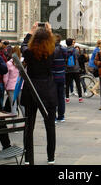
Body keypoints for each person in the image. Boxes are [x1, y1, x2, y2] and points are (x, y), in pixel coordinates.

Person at [21, 22, 57, 165]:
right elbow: (55, 44)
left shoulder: (29, 52)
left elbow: (24, 46)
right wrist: (50, 31)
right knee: (50, 126)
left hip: (31, 89)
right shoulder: (52, 51)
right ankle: (51, 157)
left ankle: (28, 158)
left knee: (29, 126)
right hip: (48, 90)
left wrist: (31, 31)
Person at [3, 46, 25, 117]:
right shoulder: (23, 62)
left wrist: (5, 86)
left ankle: (14, 124)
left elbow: (6, 77)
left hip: (11, 86)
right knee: (22, 105)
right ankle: (27, 122)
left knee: (13, 106)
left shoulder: (9, 63)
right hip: (20, 85)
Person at [52, 34, 67, 123]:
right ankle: (61, 116)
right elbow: (66, 59)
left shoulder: (51, 50)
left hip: (53, 77)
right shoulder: (64, 50)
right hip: (61, 76)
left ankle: (53, 116)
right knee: (61, 97)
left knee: (52, 97)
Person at [65, 38, 83, 103]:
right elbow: (78, 57)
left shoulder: (64, 50)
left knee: (67, 84)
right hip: (76, 69)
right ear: (72, 43)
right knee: (78, 84)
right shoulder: (76, 50)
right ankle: (80, 98)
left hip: (67, 70)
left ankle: (67, 98)